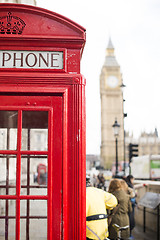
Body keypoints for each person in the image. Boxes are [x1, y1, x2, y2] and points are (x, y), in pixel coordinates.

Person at [86, 175, 118, 240]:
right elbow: (114, 202)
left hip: (88, 232)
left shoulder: (78, 192)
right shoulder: (99, 191)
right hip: (102, 231)